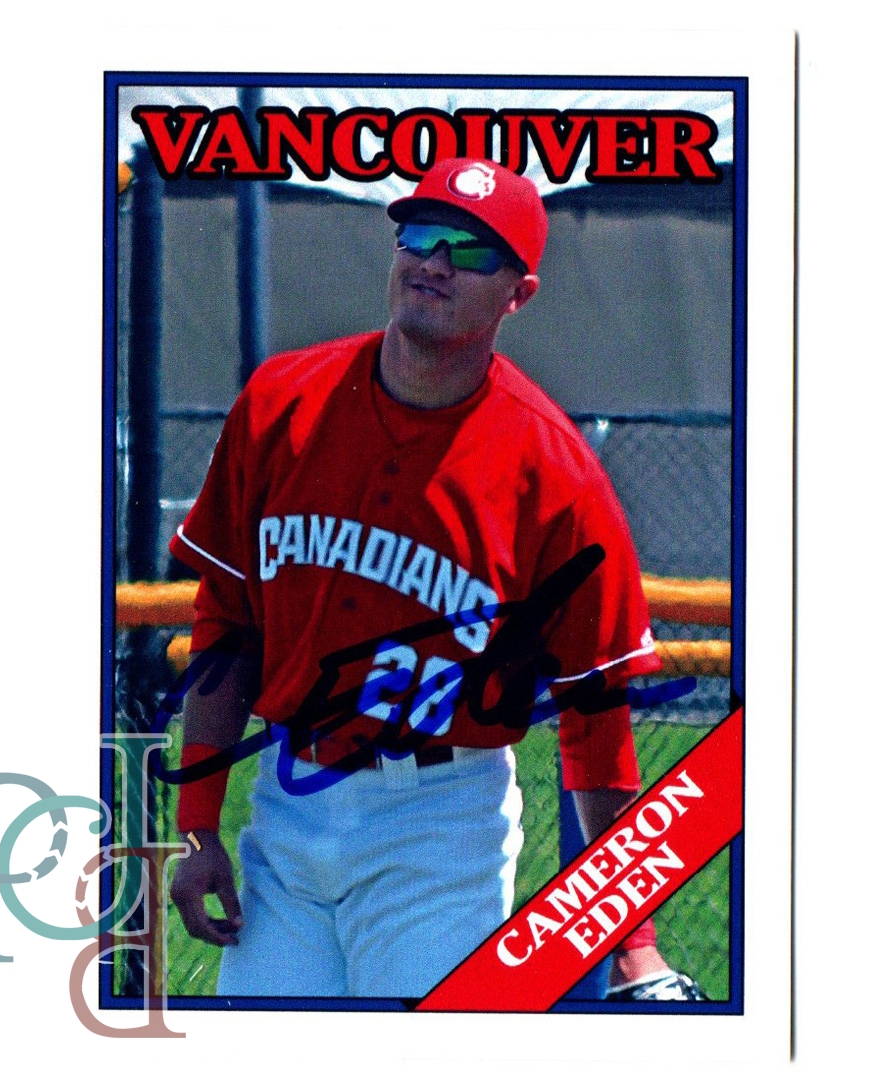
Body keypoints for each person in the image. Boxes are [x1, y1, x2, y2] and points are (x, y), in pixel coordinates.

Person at [167, 156, 705, 1002]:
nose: (436, 262)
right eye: (421, 234)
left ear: (518, 294)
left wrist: (633, 942)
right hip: (286, 804)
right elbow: (227, 620)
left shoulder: (555, 474)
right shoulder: (281, 402)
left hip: (437, 824)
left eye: (472, 249)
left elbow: (594, 717)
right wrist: (198, 827)